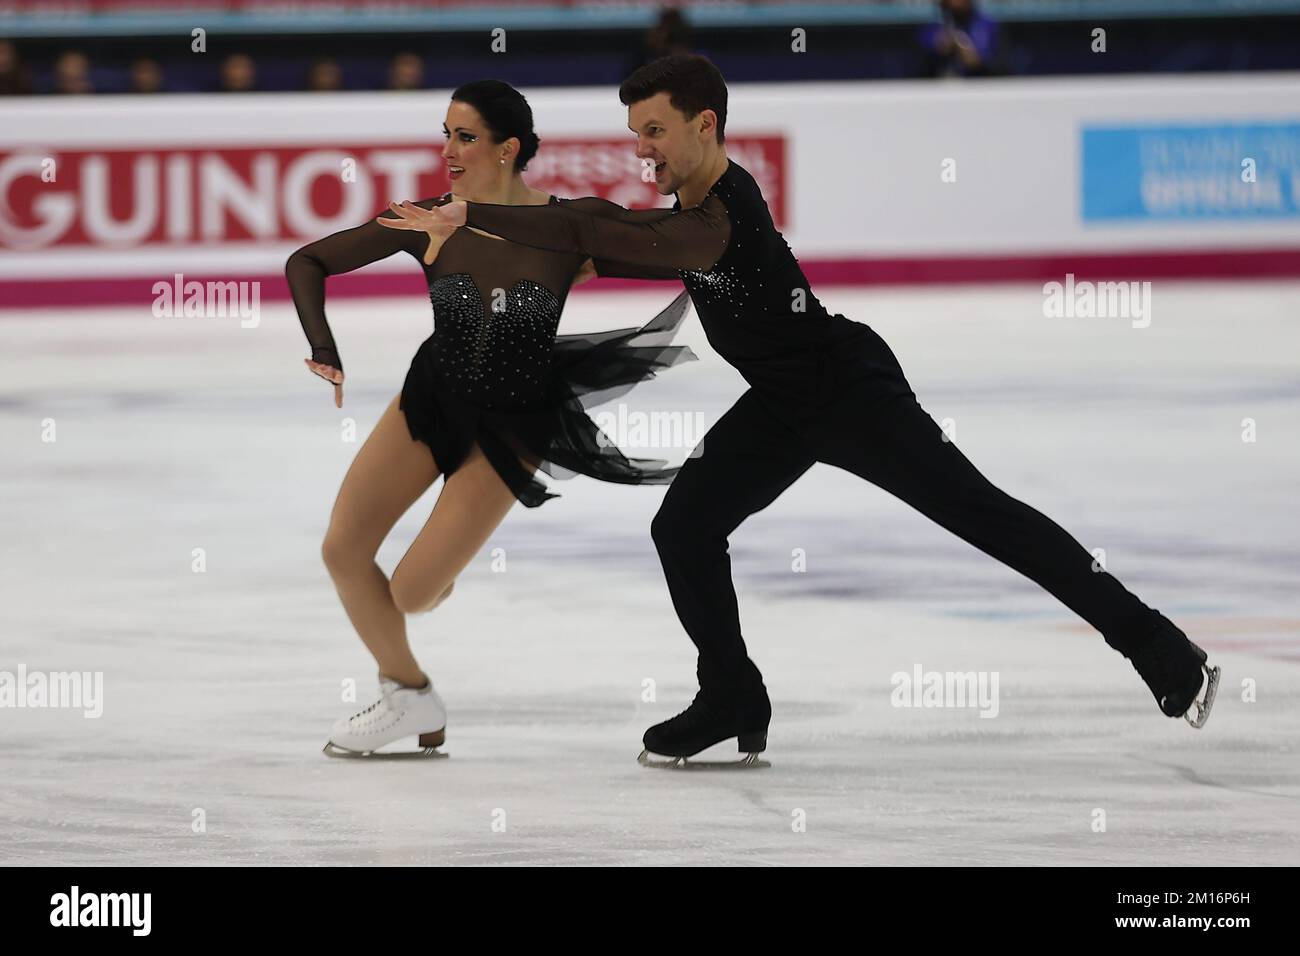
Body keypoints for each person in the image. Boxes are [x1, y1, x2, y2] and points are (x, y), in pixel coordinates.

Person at [387, 55, 1220, 766]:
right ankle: (733, 699)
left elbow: (611, 235)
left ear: (704, 125)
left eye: (654, 131)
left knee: (982, 515)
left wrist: (498, 219)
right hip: (785, 405)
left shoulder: (722, 216)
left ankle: (1159, 647)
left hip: (848, 391)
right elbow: (599, 238)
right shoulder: (690, 206)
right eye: (636, 133)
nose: (643, 150)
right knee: (684, 527)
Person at [285, 79, 695, 758]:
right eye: (444, 133)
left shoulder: (569, 228)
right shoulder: (429, 218)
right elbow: (310, 261)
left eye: (464, 136)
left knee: (414, 592)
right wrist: (324, 350)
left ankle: (434, 582)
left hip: (510, 423)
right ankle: (409, 696)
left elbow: (682, 247)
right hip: (430, 399)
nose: (447, 149)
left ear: (508, 149)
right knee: (342, 550)